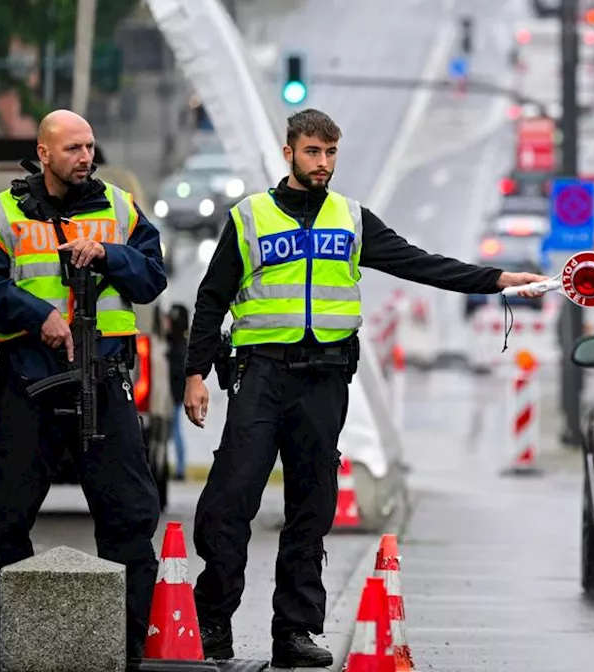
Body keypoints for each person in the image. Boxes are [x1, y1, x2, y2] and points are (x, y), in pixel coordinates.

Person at [182, 108, 547, 668]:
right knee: (230, 502)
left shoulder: (351, 219)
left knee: (313, 507)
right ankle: (212, 624)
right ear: (289, 154)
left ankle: (296, 633)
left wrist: (496, 280)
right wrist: (195, 374)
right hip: (260, 377)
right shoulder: (250, 217)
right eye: (312, 152)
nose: (322, 163)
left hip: (324, 380)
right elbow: (211, 301)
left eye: (330, 153)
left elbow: (418, 264)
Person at [0, 109, 168, 672]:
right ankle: (0, 642)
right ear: (45, 153)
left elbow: (152, 278)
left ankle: (129, 644)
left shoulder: (119, 208)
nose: (86, 157)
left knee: (129, 516)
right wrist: (38, 317)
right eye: (74, 148)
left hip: (104, 382)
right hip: (30, 382)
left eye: (90, 146)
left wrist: (109, 255)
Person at [166, 303, 191, 480]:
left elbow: (176, 372)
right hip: (175, 394)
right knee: (174, 432)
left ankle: (181, 468)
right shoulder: (179, 343)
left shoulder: (177, 346)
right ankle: (179, 467)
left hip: (173, 395)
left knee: (174, 432)